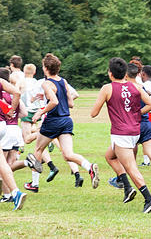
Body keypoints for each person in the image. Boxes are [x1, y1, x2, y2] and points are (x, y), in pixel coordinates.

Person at [89, 58, 151, 213]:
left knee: (131, 168)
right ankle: (127, 188)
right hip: (134, 131)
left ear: (110, 73)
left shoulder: (107, 88)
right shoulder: (135, 86)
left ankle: (149, 199)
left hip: (121, 133)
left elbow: (93, 113)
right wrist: (136, 113)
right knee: (110, 156)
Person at [29, 53, 100, 189]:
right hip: (66, 120)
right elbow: (70, 103)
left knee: (38, 149)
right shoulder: (63, 81)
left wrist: (40, 112)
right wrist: (47, 97)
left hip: (53, 121)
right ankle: (89, 167)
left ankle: (34, 184)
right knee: (68, 154)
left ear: (45, 68)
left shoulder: (46, 83)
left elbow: (54, 101)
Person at [0, 74, 26, 210]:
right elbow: (17, 92)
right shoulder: (0, 81)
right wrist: (10, 111)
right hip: (3, 125)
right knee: (2, 163)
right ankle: (16, 193)